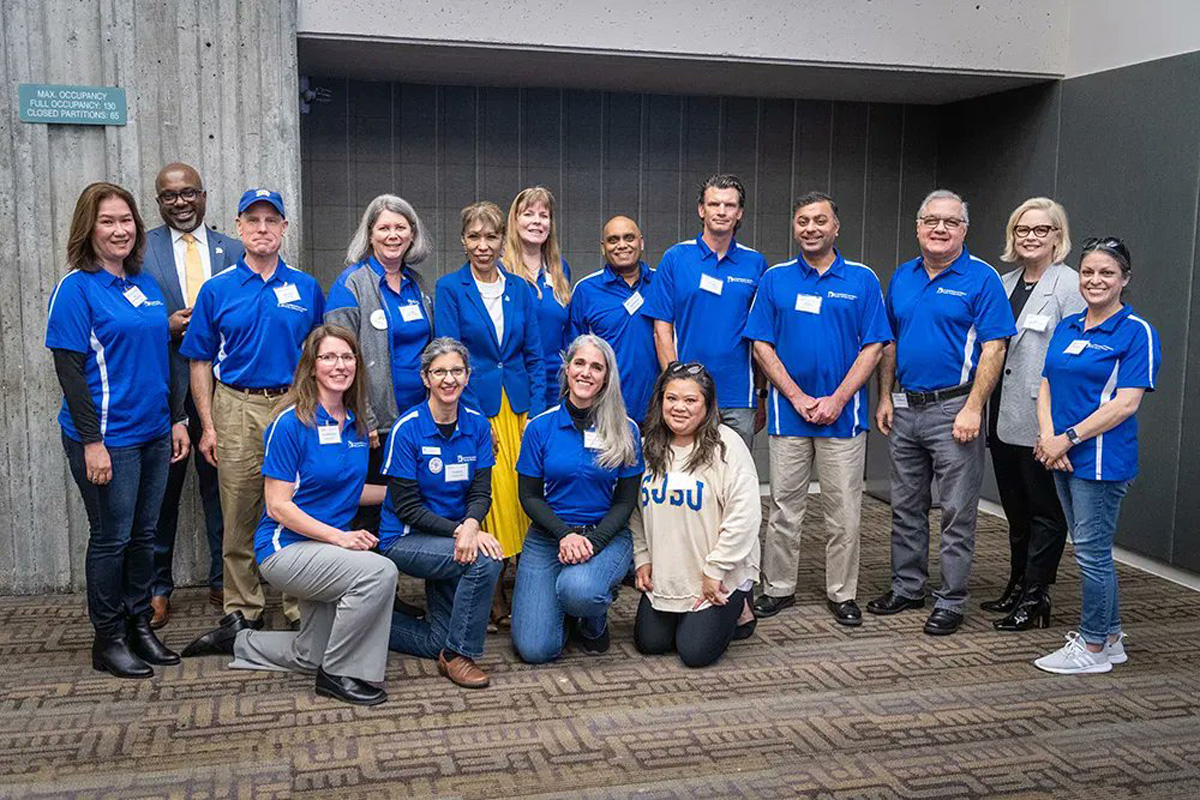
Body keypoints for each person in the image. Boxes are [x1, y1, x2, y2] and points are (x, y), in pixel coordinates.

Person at [46, 182, 189, 678]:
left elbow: (160, 357)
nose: (120, 230)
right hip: (109, 439)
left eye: (126, 220)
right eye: (108, 221)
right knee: (111, 538)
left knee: (145, 535)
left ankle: (137, 624)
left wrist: (175, 419)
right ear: (89, 228)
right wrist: (92, 442)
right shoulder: (77, 288)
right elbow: (69, 372)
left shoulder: (144, 283)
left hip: (153, 432)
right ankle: (108, 639)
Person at [212, 326, 398, 705]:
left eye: (347, 357)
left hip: (324, 551)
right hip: (285, 549)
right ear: (312, 367)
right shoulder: (290, 422)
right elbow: (279, 504)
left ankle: (239, 640)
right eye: (329, 357)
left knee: (309, 652)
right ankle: (340, 673)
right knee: (379, 572)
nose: (339, 365)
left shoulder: (356, 424)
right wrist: (341, 538)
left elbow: (348, 490)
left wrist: (406, 494)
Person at [180, 189, 325, 635]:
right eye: (253, 220)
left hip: (292, 406)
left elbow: (319, 354)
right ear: (239, 228)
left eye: (271, 221)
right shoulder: (217, 289)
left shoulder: (305, 286)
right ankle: (244, 607)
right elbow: (200, 360)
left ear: (284, 229)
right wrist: (208, 426)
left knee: (297, 505)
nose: (263, 229)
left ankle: (300, 604)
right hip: (236, 404)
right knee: (239, 508)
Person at [871, 189, 1016, 635]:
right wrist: (883, 395)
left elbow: (995, 347)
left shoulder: (982, 278)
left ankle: (951, 600)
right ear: (918, 227)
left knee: (956, 511)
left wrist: (974, 407)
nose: (939, 229)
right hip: (906, 406)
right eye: (931, 220)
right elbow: (890, 342)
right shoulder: (903, 276)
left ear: (964, 230)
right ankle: (909, 586)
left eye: (950, 222)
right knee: (906, 506)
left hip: (956, 409)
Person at [745, 192, 892, 626]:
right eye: (803, 221)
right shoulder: (776, 279)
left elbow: (874, 347)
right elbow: (761, 345)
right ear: (795, 227)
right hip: (788, 416)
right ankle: (778, 587)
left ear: (836, 227)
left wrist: (838, 399)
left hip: (844, 419)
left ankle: (842, 593)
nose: (811, 228)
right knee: (784, 507)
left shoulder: (862, 280)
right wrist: (795, 396)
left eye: (820, 221)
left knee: (843, 510)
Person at [1032, 237, 1160, 675]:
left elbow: (1125, 403)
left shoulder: (1135, 331)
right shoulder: (1068, 325)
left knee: (1092, 555)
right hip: (1061, 453)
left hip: (1101, 461)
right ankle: (1111, 637)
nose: (1095, 280)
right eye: (1088, 272)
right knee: (1090, 550)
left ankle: (1091, 647)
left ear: (1124, 279)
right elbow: (1046, 383)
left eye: (1106, 273)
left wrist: (1066, 438)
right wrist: (1049, 438)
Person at [140, 162, 243, 628]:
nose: (180, 202)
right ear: (159, 201)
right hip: (164, 391)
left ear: (204, 196)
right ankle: (157, 587)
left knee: (223, 490)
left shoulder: (235, 250)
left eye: (189, 193)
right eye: (169, 196)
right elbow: (125, 316)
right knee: (162, 495)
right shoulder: (142, 251)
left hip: (227, 391)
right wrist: (165, 326)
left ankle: (224, 581)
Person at [435, 201, 545, 627]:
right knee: (492, 497)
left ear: (504, 240)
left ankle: (520, 580)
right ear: (463, 241)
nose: (483, 246)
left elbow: (535, 356)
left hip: (521, 411)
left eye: (491, 236)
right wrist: (475, 417)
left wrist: (536, 412)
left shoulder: (520, 288)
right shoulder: (450, 288)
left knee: (522, 494)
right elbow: (448, 356)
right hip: (476, 410)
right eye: (474, 237)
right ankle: (494, 587)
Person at [379, 338, 503, 688]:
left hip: (453, 538)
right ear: (425, 378)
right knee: (485, 561)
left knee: (435, 640)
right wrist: (463, 532)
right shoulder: (408, 429)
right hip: (406, 538)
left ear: (467, 377)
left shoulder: (478, 425)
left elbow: (481, 491)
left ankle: (372, 621)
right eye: (439, 372)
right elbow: (406, 507)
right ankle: (459, 655)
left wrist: (471, 524)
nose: (448, 379)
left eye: (457, 371)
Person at [511, 335, 643, 663]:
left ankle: (592, 619)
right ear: (567, 368)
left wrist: (591, 542)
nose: (586, 372)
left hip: (605, 534)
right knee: (535, 650)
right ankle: (568, 607)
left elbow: (626, 502)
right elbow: (528, 495)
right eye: (580, 363)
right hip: (548, 537)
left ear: (606, 377)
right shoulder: (539, 427)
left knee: (579, 591)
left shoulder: (626, 430)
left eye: (596, 367)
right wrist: (564, 535)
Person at [985, 198, 1085, 631]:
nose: (1030, 237)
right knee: (1016, 508)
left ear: (1057, 237)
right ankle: (1017, 582)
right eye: (1023, 230)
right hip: (1001, 412)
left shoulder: (1071, 285)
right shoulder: (1003, 283)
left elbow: (1076, 359)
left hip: (1043, 418)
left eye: (1041, 230)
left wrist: (1061, 427)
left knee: (1046, 511)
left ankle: (1036, 595)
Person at [632, 363, 761, 667]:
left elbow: (744, 516)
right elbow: (635, 511)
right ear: (660, 401)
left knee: (694, 652)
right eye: (671, 398)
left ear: (707, 405)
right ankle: (688, 617)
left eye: (691, 400)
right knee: (650, 643)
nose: (679, 407)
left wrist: (716, 569)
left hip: (716, 573)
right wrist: (643, 557)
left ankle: (741, 605)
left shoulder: (727, 446)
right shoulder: (647, 447)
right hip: (668, 572)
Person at [325, 194, 434, 533]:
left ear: (412, 234)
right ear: (369, 234)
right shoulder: (350, 284)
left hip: (415, 417)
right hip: (373, 425)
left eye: (401, 227)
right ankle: (375, 584)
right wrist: (364, 414)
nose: (393, 235)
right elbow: (337, 360)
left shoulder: (417, 284)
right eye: (383, 227)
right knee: (371, 511)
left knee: (415, 501)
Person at [641, 174, 768, 447]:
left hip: (738, 398)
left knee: (733, 478)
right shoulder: (676, 258)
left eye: (729, 205)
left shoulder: (755, 263)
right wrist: (676, 387)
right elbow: (661, 328)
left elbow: (761, 338)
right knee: (688, 478)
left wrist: (761, 393)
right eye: (714, 204)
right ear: (702, 210)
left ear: (739, 212)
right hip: (688, 398)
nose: (721, 211)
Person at [568, 216, 660, 424]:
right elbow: (573, 354)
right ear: (603, 247)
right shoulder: (586, 290)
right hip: (603, 412)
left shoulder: (661, 282)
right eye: (613, 240)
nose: (622, 245)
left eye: (629, 238)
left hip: (658, 412)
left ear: (641, 242)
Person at [504, 187, 572, 408]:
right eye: (528, 214)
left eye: (544, 216)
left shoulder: (560, 269)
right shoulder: (499, 270)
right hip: (517, 384)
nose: (537, 221)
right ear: (514, 220)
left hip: (557, 383)